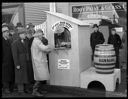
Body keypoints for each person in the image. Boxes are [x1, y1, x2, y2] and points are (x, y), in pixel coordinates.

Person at [31, 29, 53, 96]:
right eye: (42, 35)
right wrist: (51, 46)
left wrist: (47, 49)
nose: (42, 36)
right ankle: (35, 91)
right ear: (39, 35)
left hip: (39, 60)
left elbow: (42, 49)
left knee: (41, 77)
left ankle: (38, 90)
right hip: (39, 61)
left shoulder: (36, 41)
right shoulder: (37, 41)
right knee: (39, 77)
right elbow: (44, 48)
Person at [11, 28, 30, 95]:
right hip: (20, 62)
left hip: (25, 61)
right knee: (20, 76)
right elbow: (15, 55)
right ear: (20, 35)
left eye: (25, 34)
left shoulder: (26, 41)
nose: (25, 35)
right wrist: (17, 64)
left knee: (25, 75)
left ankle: (25, 89)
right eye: (24, 34)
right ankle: (20, 90)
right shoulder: (15, 43)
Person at [2, 25, 15, 94]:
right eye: (6, 32)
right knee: (5, 76)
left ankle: (10, 88)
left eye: (8, 32)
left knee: (10, 74)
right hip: (4, 61)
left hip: (10, 60)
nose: (8, 33)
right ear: (3, 33)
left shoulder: (9, 40)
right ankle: (6, 88)